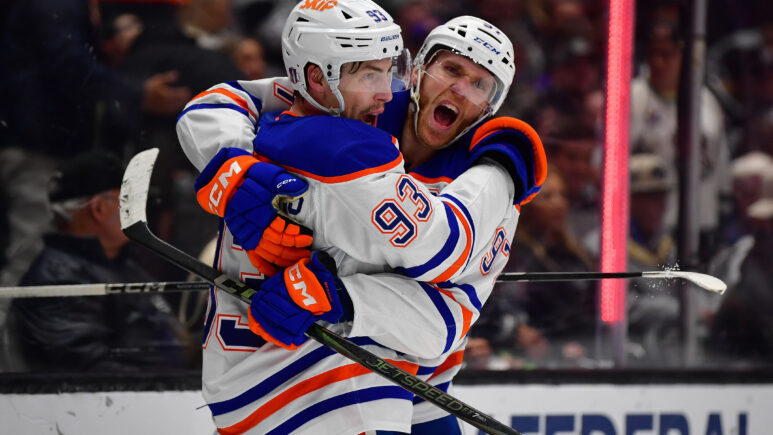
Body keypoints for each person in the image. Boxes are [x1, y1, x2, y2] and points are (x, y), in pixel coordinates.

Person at [177, 2, 545, 433]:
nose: (460, 90)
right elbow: (217, 104)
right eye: (451, 70)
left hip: (413, 382)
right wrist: (235, 171)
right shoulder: (345, 105)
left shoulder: (488, 190)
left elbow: (446, 318)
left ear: (490, 106)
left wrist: (342, 295)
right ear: (419, 70)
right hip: (321, 374)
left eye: (480, 85)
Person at [7, 152, 193, 372]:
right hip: (147, 393)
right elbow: (92, 375)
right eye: (130, 199)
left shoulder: (121, 263)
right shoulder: (58, 280)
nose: (141, 210)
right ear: (99, 209)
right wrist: (176, 381)